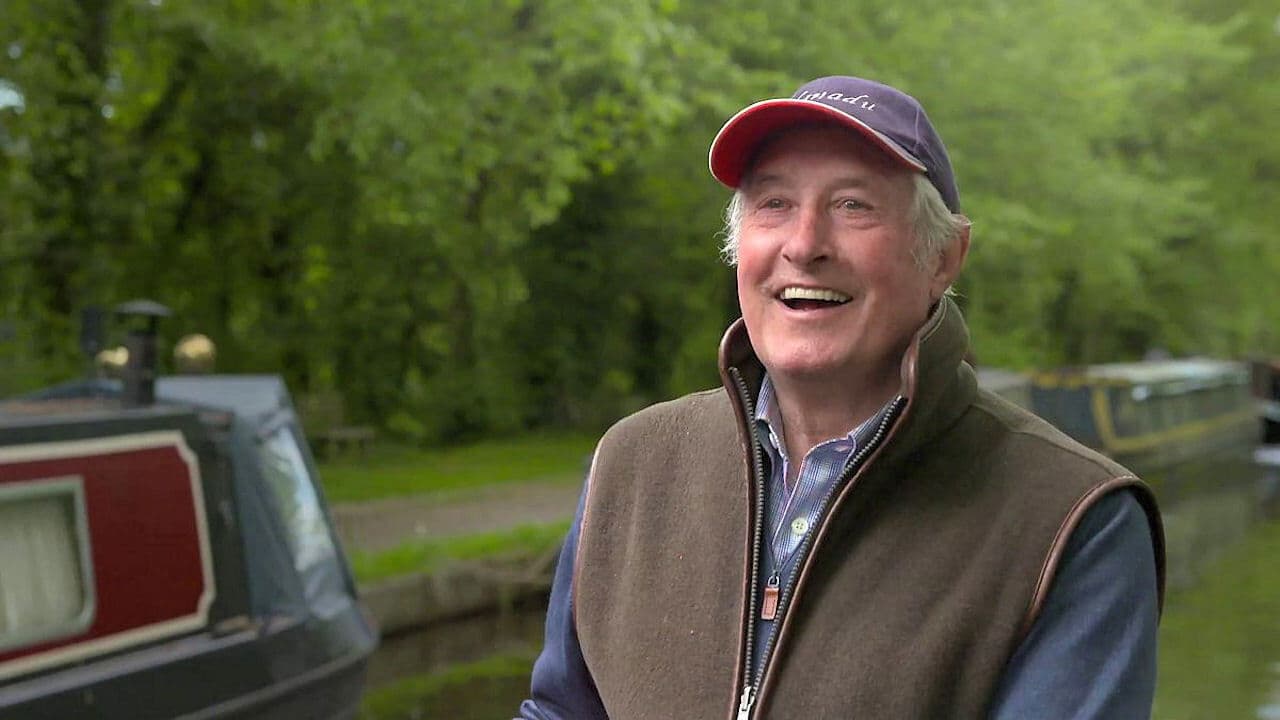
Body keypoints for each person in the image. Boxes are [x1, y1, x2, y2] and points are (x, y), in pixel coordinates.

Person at [517, 75, 1163, 719]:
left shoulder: (1075, 521)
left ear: (943, 257)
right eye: (774, 203)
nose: (804, 244)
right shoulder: (632, 465)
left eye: (853, 205)